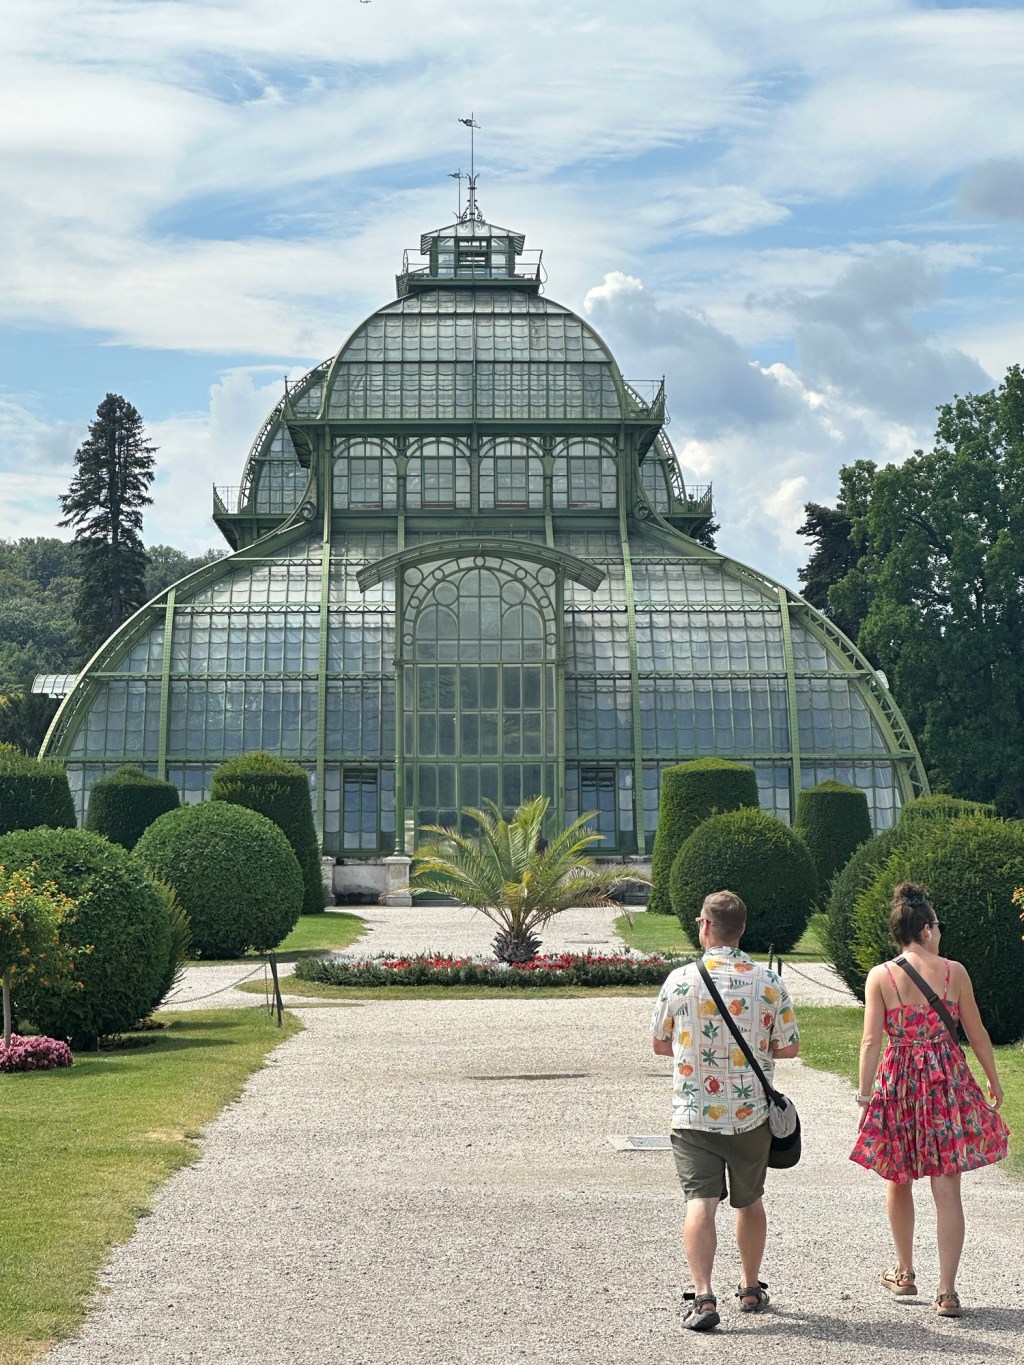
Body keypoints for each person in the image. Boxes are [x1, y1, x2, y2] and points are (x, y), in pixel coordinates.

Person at [850, 881, 1009, 1318]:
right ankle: (947, 1291)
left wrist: (865, 1096)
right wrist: (993, 1079)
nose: (939, 933)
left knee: (897, 1176)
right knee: (947, 1185)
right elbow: (976, 1033)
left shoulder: (881, 976)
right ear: (925, 929)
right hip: (945, 1082)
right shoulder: (954, 972)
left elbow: (870, 1041)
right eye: (937, 926)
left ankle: (904, 1272)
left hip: (899, 1082)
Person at [650, 889, 800, 1332]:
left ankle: (703, 1296)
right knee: (749, 1201)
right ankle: (750, 1287)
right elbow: (789, 1047)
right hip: (750, 1114)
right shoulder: (769, 982)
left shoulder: (680, 980)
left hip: (694, 1113)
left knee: (700, 1202)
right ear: (742, 929)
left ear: (706, 926)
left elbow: (659, 1043)